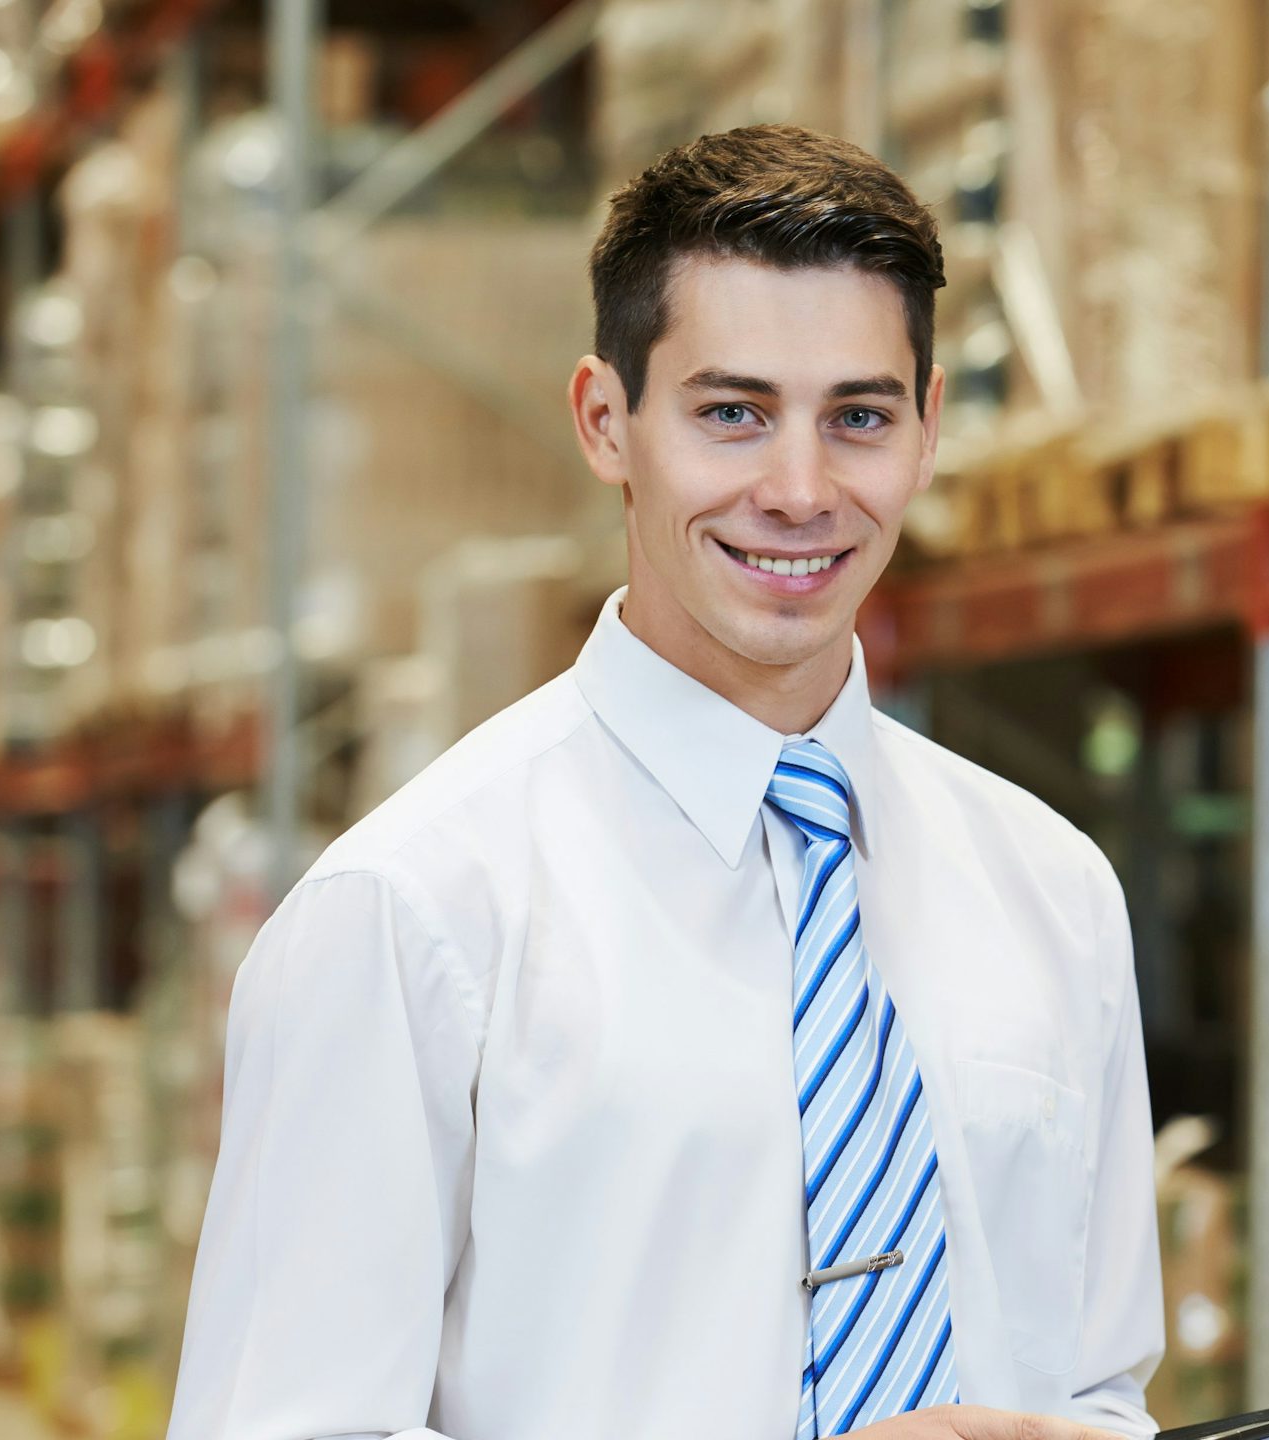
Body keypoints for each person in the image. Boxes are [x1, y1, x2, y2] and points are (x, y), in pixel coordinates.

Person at [165, 126, 1163, 1440]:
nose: (800, 491)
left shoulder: (1054, 892)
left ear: (927, 433)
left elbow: (1098, 1395)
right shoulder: (411, 917)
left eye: (857, 418)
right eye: (732, 414)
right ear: (605, 421)